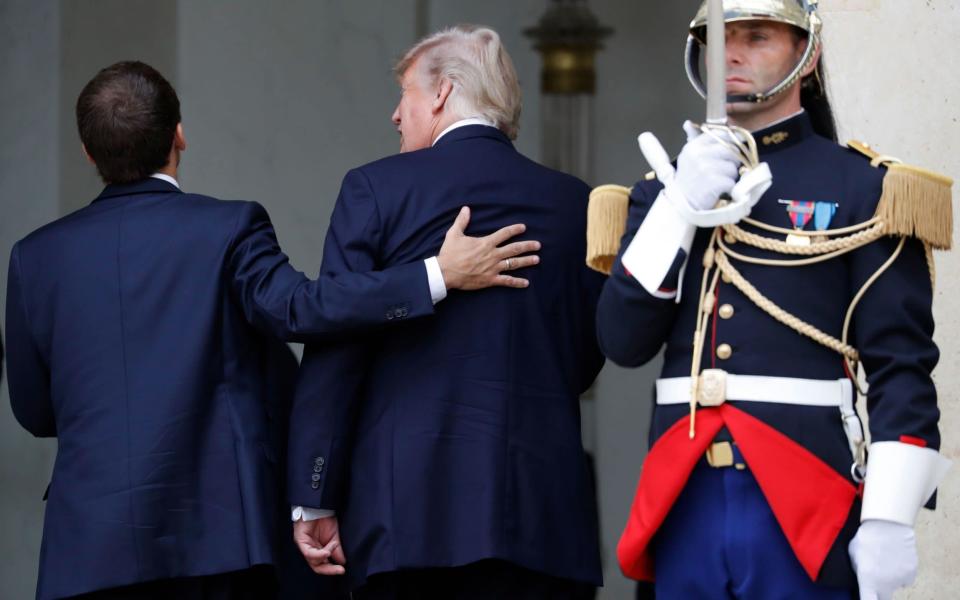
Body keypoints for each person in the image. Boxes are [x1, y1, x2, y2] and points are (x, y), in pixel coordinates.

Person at [4, 60, 538, 600]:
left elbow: (34, 411)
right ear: (179, 134)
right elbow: (300, 309)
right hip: (214, 542)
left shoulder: (34, 258)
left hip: (85, 550)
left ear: (89, 152)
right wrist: (436, 275)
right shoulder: (227, 229)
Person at [592, 1, 952, 598]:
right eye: (718, 38)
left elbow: (901, 367)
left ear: (806, 56)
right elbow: (622, 342)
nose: (730, 54)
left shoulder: (865, 189)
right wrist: (679, 209)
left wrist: (890, 517)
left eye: (757, 37)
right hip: (683, 501)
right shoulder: (663, 189)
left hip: (803, 498)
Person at [288, 25, 606, 599]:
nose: (394, 114)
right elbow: (582, 360)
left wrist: (315, 492)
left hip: (409, 518)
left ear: (441, 93)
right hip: (543, 520)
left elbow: (339, 351)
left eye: (405, 92)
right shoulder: (574, 202)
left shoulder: (376, 190)